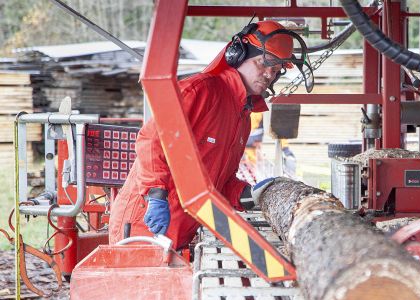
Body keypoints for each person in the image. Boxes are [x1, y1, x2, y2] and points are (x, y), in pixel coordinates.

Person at [108, 20, 313, 250]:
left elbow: (217, 181)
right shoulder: (199, 91)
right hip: (143, 226)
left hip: (179, 234)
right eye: (263, 64)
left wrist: (246, 194)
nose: (268, 74)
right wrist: (156, 195)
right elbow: (151, 141)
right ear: (239, 54)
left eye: (275, 71)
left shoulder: (243, 115)